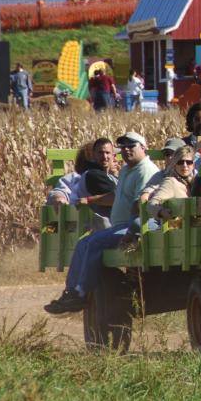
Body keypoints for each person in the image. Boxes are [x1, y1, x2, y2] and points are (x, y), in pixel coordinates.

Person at [44, 132, 159, 314]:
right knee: (84, 242)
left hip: (135, 226)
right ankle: (71, 292)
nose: (127, 150)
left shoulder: (145, 170)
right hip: (121, 225)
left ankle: (80, 293)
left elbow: (140, 206)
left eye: (132, 146)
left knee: (93, 243)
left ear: (143, 148)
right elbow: (114, 195)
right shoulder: (127, 170)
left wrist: (131, 228)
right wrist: (90, 200)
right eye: (123, 147)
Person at [143, 145, 197, 230]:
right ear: (175, 165)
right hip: (177, 234)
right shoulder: (170, 182)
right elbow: (151, 205)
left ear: (193, 165)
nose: (185, 165)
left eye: (188, 162)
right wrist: (161, 212)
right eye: (180, 162)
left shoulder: (195, 182)